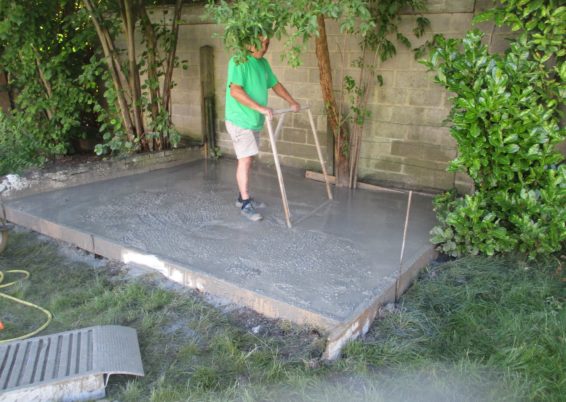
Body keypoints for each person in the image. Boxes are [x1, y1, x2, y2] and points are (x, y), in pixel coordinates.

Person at [225, 36, 300, 221]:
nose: (265, 47)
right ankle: (244, 203)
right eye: (261, 43)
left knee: (248, 159)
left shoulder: (263, 63)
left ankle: (242, 196)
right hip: (240, 120)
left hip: (254, 120)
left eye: (267, 44)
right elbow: (235, 90)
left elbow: (275, 85)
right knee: (245, 160)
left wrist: (292, 102)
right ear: (249, 42)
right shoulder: (238, 60)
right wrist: (260, 108)